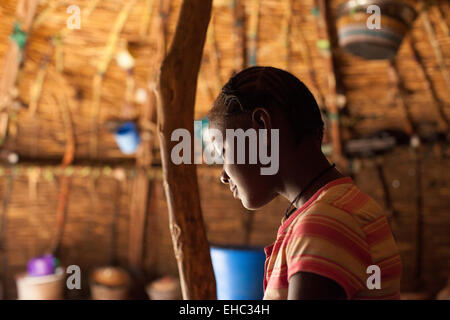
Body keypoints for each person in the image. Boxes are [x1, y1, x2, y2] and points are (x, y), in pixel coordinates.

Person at [207, 66, 402, 300]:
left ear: (262, 128)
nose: (223, 175)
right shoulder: (342, 207)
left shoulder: (324, 224)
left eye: (224, 151)